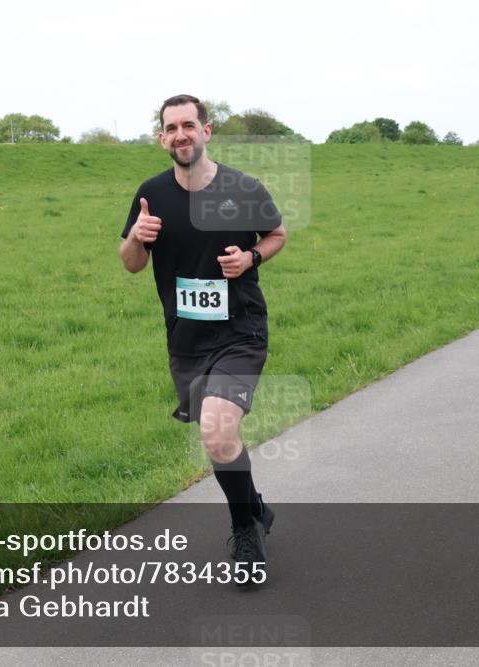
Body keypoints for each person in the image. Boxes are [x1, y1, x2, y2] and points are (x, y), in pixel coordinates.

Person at [119, 94, 287, 583]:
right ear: (161, 139)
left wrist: (251, 259)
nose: (180, 135)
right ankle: (254, 505)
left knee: (216, 428)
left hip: (240, 331)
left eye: (188, 125)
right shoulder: (151, 194)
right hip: (186, 340)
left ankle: (245, 534)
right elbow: (131, 264)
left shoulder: (243, 187)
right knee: (219, 440)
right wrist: (137, 237)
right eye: (170, 128)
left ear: (206, 130)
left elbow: (276, 234)